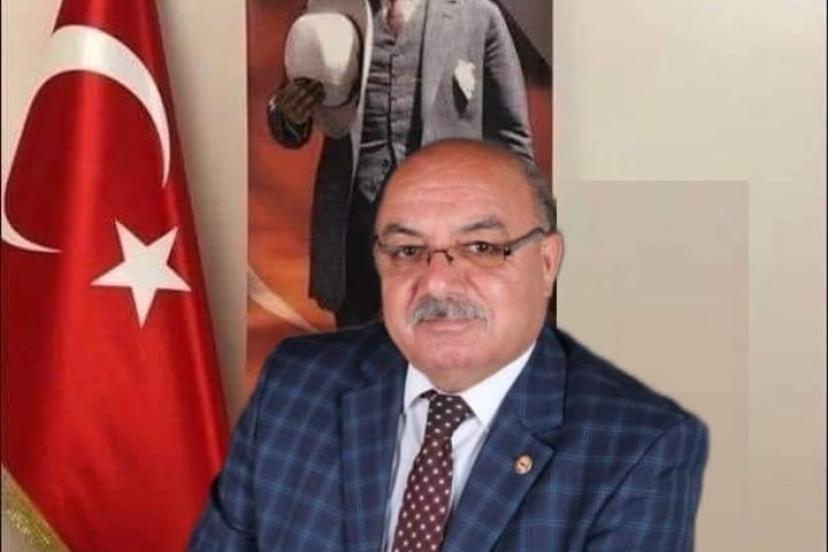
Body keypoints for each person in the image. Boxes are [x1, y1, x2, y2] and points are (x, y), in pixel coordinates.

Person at [190, 139, 708, 551]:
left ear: (547, 263)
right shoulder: (297, 384)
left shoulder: (639, 447)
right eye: (407, 250)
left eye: (481, 247)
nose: (437, 283)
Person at [268, 0, 534, 327]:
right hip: (356, 234)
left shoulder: (478, 15)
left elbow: (511, 137)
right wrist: (289, 114)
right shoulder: (330, 12)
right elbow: (286, 118)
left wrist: (520, 235)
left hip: (446, 235)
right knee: (361, 346)